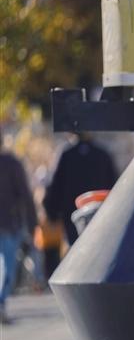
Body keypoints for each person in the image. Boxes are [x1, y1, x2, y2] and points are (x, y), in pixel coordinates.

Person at [43, 133, 117, 245]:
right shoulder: (102, 155)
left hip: (73, 220)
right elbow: (114, 188)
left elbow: (55, 189)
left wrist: (52, 214)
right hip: (100, 217)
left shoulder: (66, 155)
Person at [0, 128, 38, 324]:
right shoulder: (12, 163)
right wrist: (32, 225)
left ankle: (1, 304)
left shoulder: (12, 164)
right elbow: (25, 196)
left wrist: (32, 224)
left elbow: (25, 195)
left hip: (9, 224)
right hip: (9, 224)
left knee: (6, 269)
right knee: (6, 268)